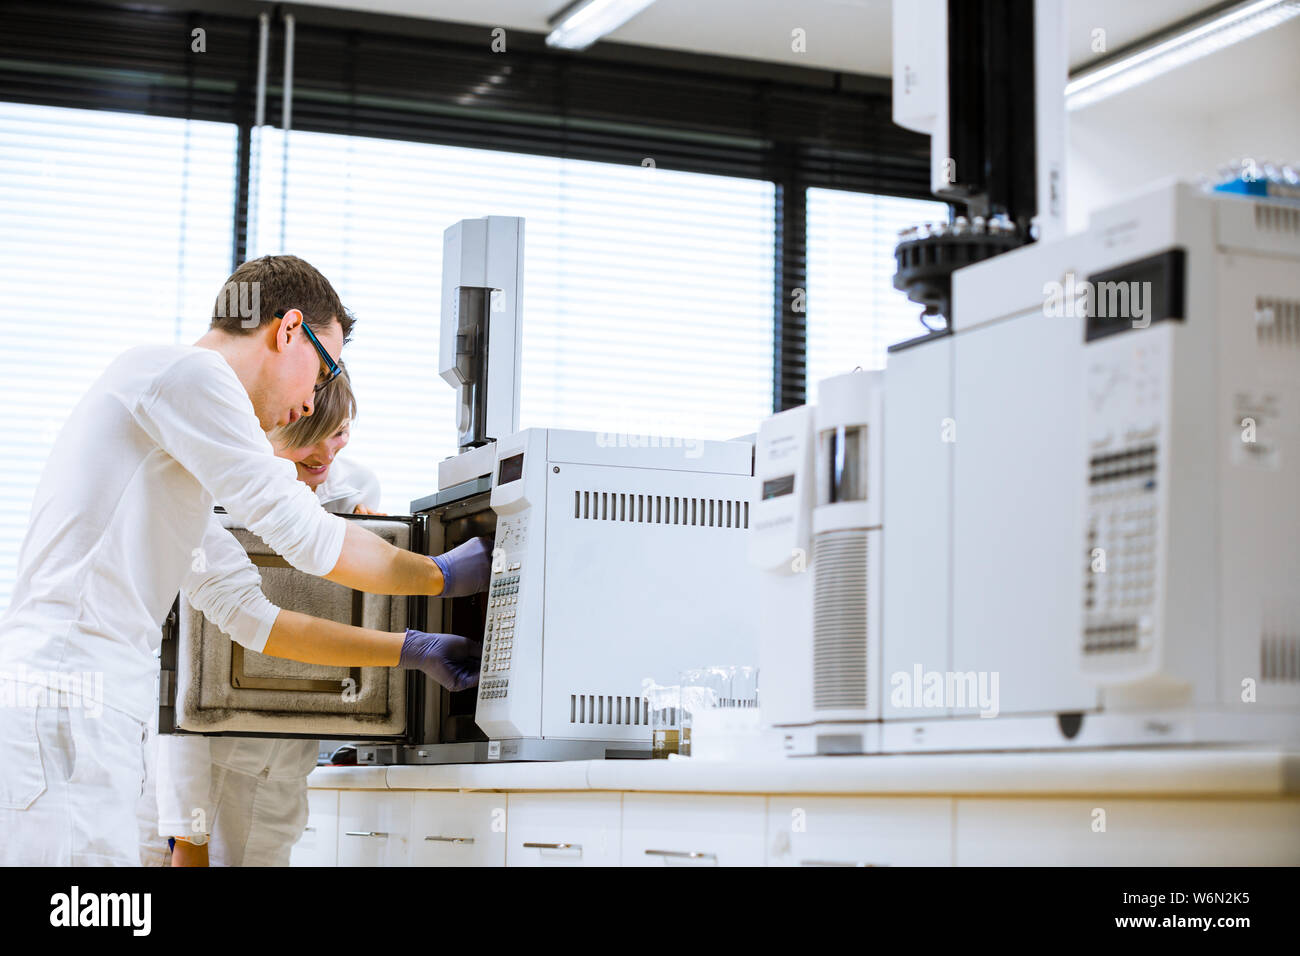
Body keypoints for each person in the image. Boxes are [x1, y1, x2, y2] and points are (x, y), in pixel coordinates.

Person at [0, 255, 487, 866]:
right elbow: (305, 535)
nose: (313, 402)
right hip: (69, 700)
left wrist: (409, 648)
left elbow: (251, 616)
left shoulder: (171, 458)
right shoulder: (188, 376)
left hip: (87, 709)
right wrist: (440, 576)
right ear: (287, 331)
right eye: (323, 369)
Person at [138, 364, 383, 866]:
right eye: (307, 440)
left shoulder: (353, 490)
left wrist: (374, 547)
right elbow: (179, 673)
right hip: (190, 763)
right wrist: (188, 836)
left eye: (338, 434)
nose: (326, 457)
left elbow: (351, 645)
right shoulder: (203, 499)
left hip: (278, 772)